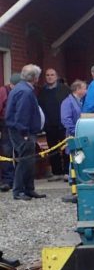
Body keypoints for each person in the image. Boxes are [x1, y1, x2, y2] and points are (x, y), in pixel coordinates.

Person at [3, 65, 45, 200]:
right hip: (22, 132)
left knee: (29, 161)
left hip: (20, 130)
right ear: (35, 78)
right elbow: (22, 114)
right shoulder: (25, 92)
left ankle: (29, 189)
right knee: (24, 161)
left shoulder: (20, 89)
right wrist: (25, 132)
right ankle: (19, 190)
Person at [38, 68, 69, 177]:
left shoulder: (64, 90)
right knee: (52, 149)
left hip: (63, 125)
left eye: (52, 75)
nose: (50, 77)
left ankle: (67, 171)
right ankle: (56, 172)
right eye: (47, 75)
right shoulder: (42, 92)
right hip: (49, 126)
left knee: (66, 149)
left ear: (56, 76)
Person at [60, 80, 87, 205]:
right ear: (77, 89)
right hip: (73, 134)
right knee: (74, 158)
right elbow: (66, 119)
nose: (86, 91)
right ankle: (73, 183)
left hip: (79, 132)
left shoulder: (80, 101)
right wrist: (74, 131)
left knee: (78, 158)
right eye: (84, 88)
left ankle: (77, 181)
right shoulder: (67, 102)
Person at [0, 74, 17, 192]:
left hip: (18, 123)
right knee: (6, 152)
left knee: (18, 151)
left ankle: (17, 180)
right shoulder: (3, 91)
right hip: (5, 123)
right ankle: (7, 180)